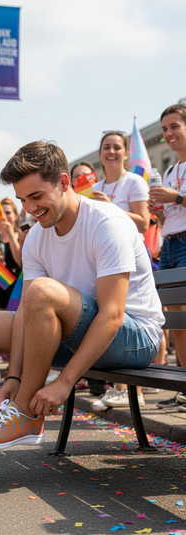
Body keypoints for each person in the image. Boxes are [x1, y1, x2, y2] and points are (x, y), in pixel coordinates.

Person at [0, 141, 164, 485]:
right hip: (79, 330)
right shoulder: (38, 236)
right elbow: (28, 311)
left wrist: (63, 384)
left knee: (42, 290)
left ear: (65, 183)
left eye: (37, 196)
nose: (29, 209)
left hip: (134, 337)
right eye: (23, 199)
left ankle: (25, 414)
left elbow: (112, 316)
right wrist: (13, 376)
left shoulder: (107, 223)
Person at [91, 131, 150, 410]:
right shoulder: (97, 185)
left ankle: (131, 391)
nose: (111, 152)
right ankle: (117, 389)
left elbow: (144, 222)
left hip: (131, 261)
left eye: (117, 147)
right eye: (106, 147)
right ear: (100, 153)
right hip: (104, 260)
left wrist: (112, 208)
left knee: (123, 316)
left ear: (126, 152)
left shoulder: (134, 181)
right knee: (108, 314)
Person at [148, 103, 186, 411]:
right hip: (170, 243)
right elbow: (169, 216)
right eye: (164, 129)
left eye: (174, 126)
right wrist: (159, 212)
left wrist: (175, 197)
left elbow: (179, 201)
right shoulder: (171, 170)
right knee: (175, 319)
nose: (169, 134)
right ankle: (183, 385)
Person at [0, 198, 22, 311]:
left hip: (15, 286)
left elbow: (20, 262)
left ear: (15, 215)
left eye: (8, 213)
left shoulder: (21, 236)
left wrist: (11, 234)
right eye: (1, 212)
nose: (4, 216)